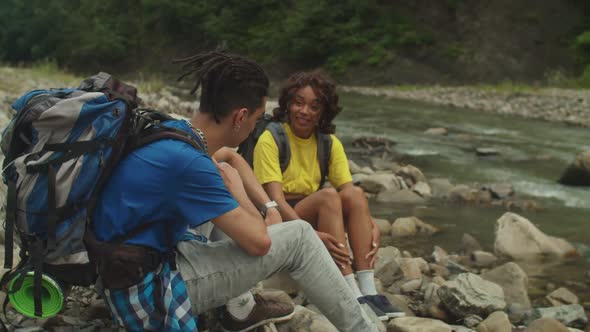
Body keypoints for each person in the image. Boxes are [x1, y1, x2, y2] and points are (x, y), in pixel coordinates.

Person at [90, 51, 378, 332]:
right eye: (256, 119)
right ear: (240, 117)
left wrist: (266, 207)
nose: (256, 127)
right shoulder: (190, 162)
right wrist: (241, 193)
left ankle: (239, 308)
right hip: (147, 294)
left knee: (218, 211)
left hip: (125, 269)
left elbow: (229, 156)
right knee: (300, 237)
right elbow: (260, 243)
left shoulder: (173, 131)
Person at [252, 71, 405, 320]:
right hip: (278, 216)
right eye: (298, 102)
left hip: (313, 211)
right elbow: (275, 201)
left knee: (354, 193)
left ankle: (368, 289)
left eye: (314, 106)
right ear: (288, 104)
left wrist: (371, 226)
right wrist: (309, 233)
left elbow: (350, 193)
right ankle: (349, 291)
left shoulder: (328, 143)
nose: (305, 111)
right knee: (328, 196)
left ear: (323, 111)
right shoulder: (271, 138)